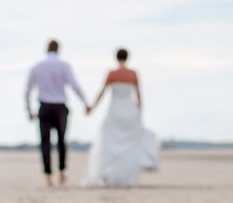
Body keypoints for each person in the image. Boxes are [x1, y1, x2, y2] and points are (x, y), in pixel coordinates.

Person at [84, 48, 159, 187]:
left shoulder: (112, 73)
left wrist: (92, 107)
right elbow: (138, 95)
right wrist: (139, 113)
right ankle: (126, 177)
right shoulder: (133, 74)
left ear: (116, 58)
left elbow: (102, 92)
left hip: (115, 110)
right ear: (127, 57)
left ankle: (110, 174)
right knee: (129, 145)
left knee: (110, 142)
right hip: (129, 110)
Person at [25, 40, 90, 186]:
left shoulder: (38, 67)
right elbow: (75, 86)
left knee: (45, 143)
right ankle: (62, 171)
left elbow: (28, 90)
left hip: (45, 106)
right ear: (58, 50)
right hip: (60, 106)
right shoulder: (64, 66)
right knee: (61, 141)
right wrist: (85, 103)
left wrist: (29, 110)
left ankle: (48, 175)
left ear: (46, 49)